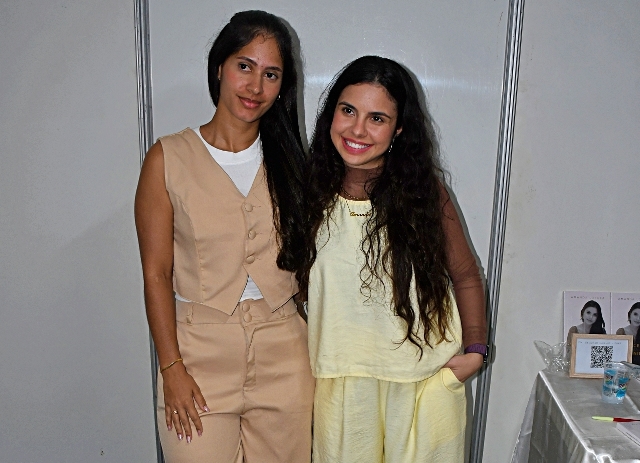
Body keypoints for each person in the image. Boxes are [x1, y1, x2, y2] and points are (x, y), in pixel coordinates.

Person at [134, 11, 313, 462]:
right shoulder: (168, 158)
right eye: (244, 66)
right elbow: (156, 273)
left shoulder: (294, 163)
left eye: (271, 74)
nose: (255, 86)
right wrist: (171, 367)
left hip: (284, 354)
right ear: (219, 68)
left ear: (282, 86)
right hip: (198, 357)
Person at [298, 56, 487, 463]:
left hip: (424, 381)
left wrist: (476, 349)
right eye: (348, 110)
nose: (357, 130)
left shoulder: (424, 193)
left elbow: (466, 275)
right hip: (342, 384)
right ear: (332, 113)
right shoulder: (307, 193)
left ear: (399, 129)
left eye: (377, 118)